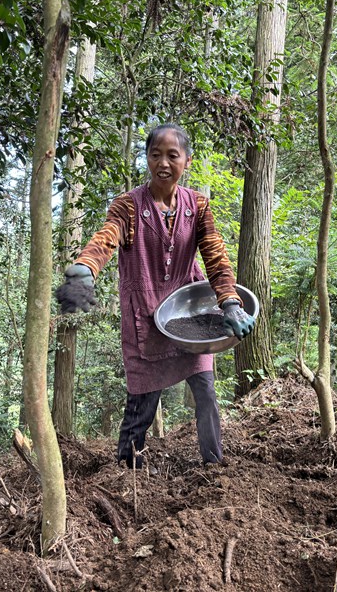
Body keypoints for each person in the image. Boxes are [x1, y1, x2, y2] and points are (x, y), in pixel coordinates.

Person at [55, 123, 255, 468]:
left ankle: (213, 466)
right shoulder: (128, 206)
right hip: (144, 318)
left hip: (189, 316)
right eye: (155, 154)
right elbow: (107, 237)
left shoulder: (198, 207)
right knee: (142, 403)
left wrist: (231, 302)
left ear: (186, 161)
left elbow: (216, 257)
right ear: (147, 158)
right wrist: (86, 268)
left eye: (172, 156)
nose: (163, 162)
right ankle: (126, 470)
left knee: (206, 392)